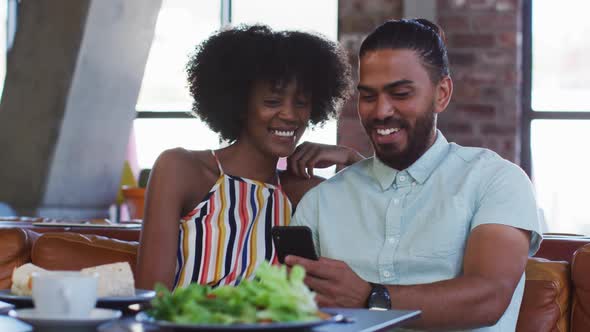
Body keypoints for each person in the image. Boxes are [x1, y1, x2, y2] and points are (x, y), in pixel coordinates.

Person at [287, 18, 542, 331]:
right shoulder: (320, 202)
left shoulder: (495, 180)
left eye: (401, 94)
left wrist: (370, 297)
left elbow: (487, 297)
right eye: (368, 96)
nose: (381, 111)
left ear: (442, 93)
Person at [136, 24, 358, 290]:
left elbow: (383, 225)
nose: (290, 115)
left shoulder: (303, 193)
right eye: (272, 102)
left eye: (301, 102)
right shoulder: (181, 170)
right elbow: (151, 294)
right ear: (239, 104)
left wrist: (351, 157)